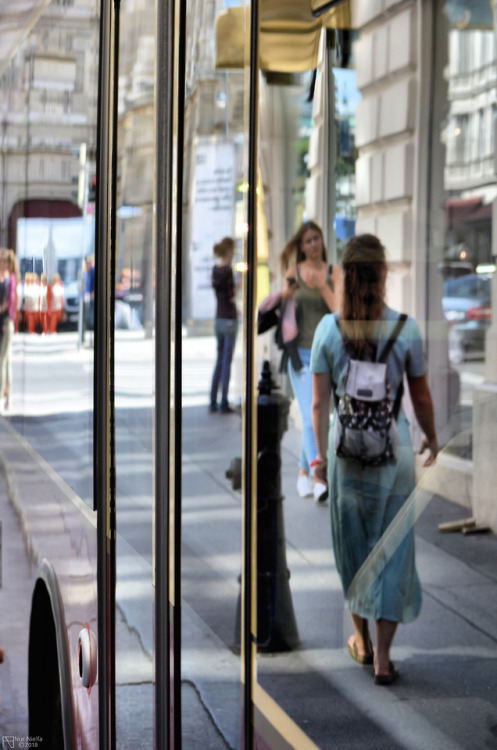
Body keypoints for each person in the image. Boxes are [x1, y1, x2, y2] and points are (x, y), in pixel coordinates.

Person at [310, 234, 438, 685]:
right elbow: (420, 397)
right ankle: (383, 658)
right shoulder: (406, 329)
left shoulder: (328, 330)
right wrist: (433, 439)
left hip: (346, 460)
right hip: (394, 456)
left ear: (343, 275)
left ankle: (360, 643)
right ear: (383, 276)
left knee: (355, 553)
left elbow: (319, 406)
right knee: (393, 554)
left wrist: (319, 461)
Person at [279, 220, 341, 502]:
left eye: (317, 239)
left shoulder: (334, 272)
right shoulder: (294, 272)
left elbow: (340, 311)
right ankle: (320, 474)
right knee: (309, 414)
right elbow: (285, 311)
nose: (314, 244)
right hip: (301, 356)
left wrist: (321, 286)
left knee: (320, 417)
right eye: (308, 241)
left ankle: (303, 472)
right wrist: (285, 295)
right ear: (301, 247)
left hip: (328, 356)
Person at [209, 237, 239, 414]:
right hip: (229, 319)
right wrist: (239, 287)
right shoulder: (227, 271)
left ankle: (213, 400)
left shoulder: (215, 269)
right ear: (229, 251)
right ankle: (223, 402)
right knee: (227, 361)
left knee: (219, 360)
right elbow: (230, 296)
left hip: (218, 319)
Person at [0, 249, 17, 411]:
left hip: (6, 322)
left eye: (5, 261)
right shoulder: (4, 279)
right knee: (6, 361)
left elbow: (9, 304)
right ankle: (7, 397)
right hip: (2, 321)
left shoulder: (10, 280)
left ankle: (4, 397)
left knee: (3, 360)